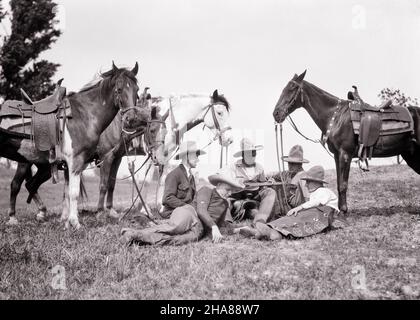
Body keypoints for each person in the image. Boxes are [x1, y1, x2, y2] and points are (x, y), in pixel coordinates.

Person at [120, 170, 244, 245]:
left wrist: (239, 229)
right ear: (220, 184)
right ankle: (133, 233)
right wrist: (213, 227)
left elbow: (222, 224)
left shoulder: (225, 204)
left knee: (176, 240)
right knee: (174, 228)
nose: (230, 193)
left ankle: (137, 238)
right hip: (190, 214)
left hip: (198, 231)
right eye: (228, 189)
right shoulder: (207, 190)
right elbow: (201, 211)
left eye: (232, 191)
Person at [237, 165, 339, 240]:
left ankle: (273, 232)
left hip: (321, 216)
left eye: (308, 182)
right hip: (315, 214)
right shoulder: (316, 192)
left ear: (316, 183)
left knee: (299, 219)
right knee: (294, 218)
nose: (306, 185)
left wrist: (297, 208)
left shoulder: (324, 191)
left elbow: (315, 203)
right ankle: (264, 230)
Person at [227, 138, 277, 224]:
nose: (253, 156)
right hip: (237, 197)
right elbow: (228, 186)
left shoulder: (259, 167)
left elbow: (263, 185)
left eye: (254, 153)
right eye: (250, 153)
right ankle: (227, 222)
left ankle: (260, 220)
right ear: (243, 154)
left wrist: (268, 183)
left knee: (270, 191)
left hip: (254, 198)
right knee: (227, 201)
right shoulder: (233, 167)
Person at [159, 141, 205, 219]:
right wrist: (186, 207)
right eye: (195, 156)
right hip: (172, 214)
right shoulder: (174, 175)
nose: (198, 160)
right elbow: (167, 198)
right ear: (187, 157)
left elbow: (192, 199)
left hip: (185, 213)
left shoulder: (191, 176)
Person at [269, 145, 310, 215]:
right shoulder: (285, 174)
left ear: (300, 164)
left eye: (293, 164)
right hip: (284, 208)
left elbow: (307, 199)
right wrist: (271, 180)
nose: (290, 166)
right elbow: (272, 178)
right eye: (289, 163)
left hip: (297, 210)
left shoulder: (304, 177)